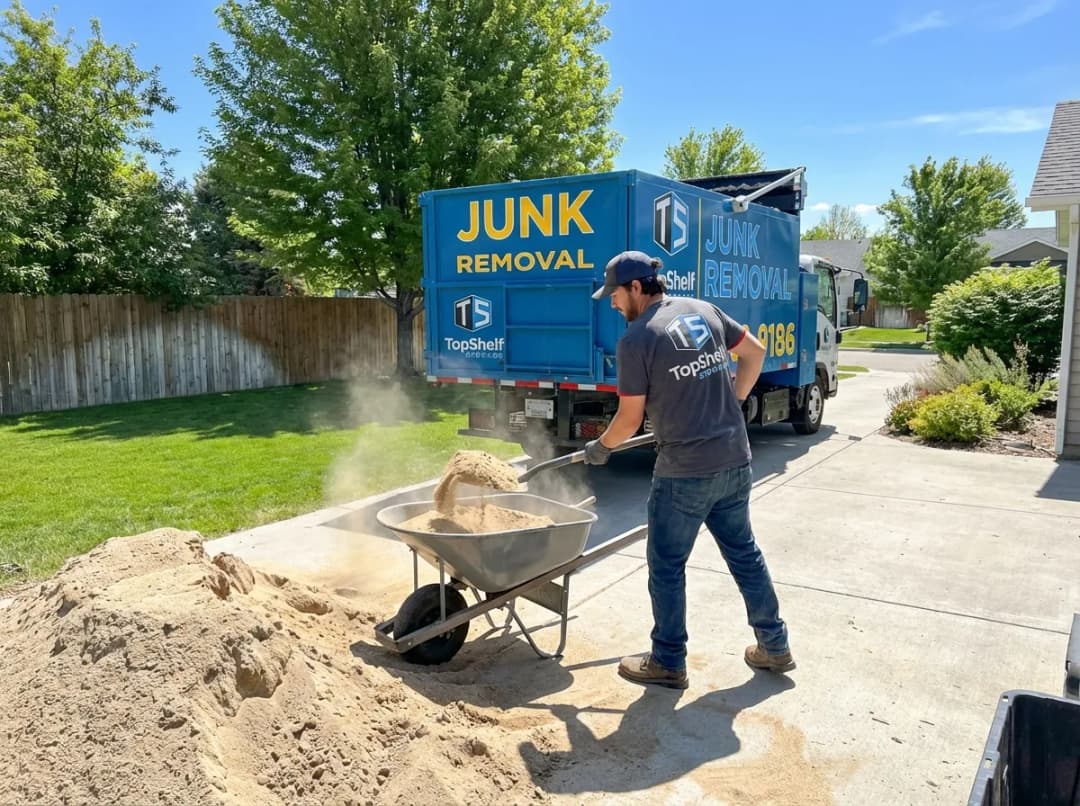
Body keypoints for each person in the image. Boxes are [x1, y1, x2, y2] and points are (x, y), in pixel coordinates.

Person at [584, 250, 794, 690]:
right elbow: (755, 353)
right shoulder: (704, 310)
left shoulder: (638, 338)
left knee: (665, 564)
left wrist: (601, 448)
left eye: (616, 295)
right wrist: (732, 402)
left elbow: (628, 420)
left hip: (684, 472)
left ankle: (667, 660)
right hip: (735, 459)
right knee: (744, 553)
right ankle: (774, 645)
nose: (613, 303)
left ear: (637, 288)